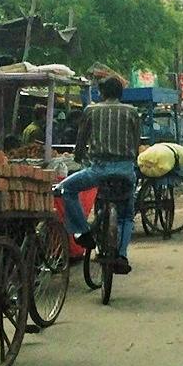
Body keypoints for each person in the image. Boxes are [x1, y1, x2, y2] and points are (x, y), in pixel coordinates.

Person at [58, 77, 141, 274]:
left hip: (98, 170)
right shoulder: (132, 112)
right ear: (120, 93)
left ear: (102, 93)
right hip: (125, 171)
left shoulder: (91, 110)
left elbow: (81, 142)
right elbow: (136, 142)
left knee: (66, 189)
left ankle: (83, 231)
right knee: (126, 215)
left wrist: (78, 157)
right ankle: (122, 255)